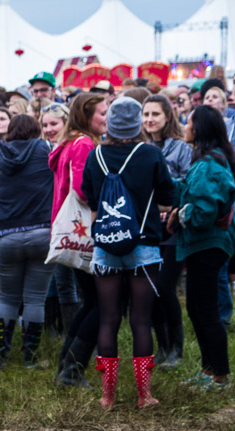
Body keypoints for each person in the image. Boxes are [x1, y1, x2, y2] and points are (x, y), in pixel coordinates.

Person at [82, 97, 176, 409]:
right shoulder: (150, 154)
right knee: (141, 320)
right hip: (144, 245)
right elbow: (168, 196)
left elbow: (89, 196)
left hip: (105, 245)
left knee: (108, 319)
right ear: (137, 124)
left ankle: (107, 396)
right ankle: (144, 395)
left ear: (110, 123)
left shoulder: (96, 155)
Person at [168, 105, 235, 390]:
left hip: (208, 245)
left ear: (200, 129)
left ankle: (220, 376)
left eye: (190, 122)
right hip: (201, 245)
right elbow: (190, 191)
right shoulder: (206, 161)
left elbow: (204, 212)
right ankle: (208, 371)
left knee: (206, 311)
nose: (185, 125)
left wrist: (179, 214)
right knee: (196, 308)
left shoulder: (209, 165)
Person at [0, 115, 55, 368]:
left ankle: (1, 357)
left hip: (6, 235)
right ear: (36, 130)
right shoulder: (45, 149)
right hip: (42, 233)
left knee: (7, 298)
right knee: (35, 298)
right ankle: (29, 358)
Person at [49, 92, 108, 388]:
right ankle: (71, 370)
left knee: (92, 300)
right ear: (86, 116)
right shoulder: (84, 144)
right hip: (84, 229)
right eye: (102, 113)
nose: (106, 118)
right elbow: (83, 190)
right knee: (103, 304)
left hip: (71, 231)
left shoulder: (68, 142)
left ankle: (67, 365)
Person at [142, 94, 192, 369]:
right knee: (149, 288)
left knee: (165, 287)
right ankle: (162, 346)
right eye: (146, 114)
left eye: (155, 114)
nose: (149, 119)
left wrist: (166, 193)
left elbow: (187, 182)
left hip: (173, 226)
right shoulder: (141, 147)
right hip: (148, 226)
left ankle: (177, 349)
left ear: (167, 116)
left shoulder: (181, 147)